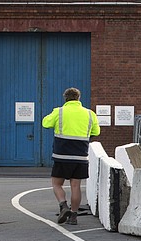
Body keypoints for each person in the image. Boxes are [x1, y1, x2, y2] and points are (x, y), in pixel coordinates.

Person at [42, 87, 100, 226]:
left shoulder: (59, 111)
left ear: (65, 98)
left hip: (61, 155)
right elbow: (96, 131)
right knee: (76, 186)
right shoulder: (90, 114)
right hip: (80, 156)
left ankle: (63, 206)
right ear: (78, 98)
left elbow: (45, 123)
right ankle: (73, 216)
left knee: (56, 184)